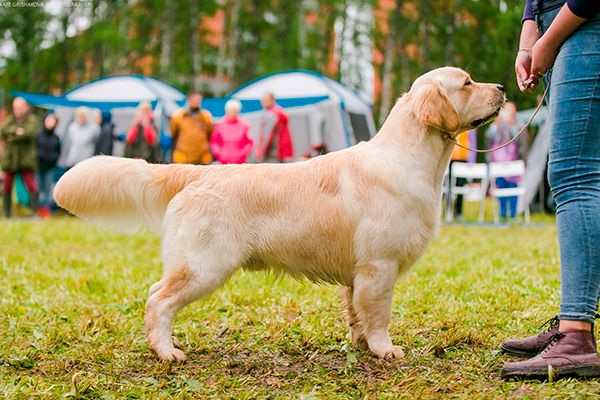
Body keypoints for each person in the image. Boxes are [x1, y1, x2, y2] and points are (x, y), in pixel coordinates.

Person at [500, 0, 600, 380]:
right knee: (583, 172)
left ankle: (577, 336)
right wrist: (530, 36)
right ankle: (574, 321)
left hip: (583, 22)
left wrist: (547, 41)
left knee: (574, 174)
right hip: (559, 26)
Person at [486, 102, 527, 220]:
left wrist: (512, 125)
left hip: (514, 162)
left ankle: (513, 214)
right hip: (498, 163)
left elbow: (522, 144)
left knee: (513, 188)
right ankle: (502, 213)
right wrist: (496, 123)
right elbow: (489, 138)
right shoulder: (496, 125)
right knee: (501, 187)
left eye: (510, 110)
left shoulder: (519, 125)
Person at [0, 97, 39, 218]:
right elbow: (3, 131)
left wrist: (11, 136)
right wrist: (17, 132)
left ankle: (34, 213)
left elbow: (29, 133)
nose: (18, 110)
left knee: (31, 185)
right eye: (16, 108)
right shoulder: (9, 120)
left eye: (20, 107)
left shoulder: (32, 120)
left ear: (26, 108)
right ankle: (7, 214)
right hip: (10, 159)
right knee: (6, 186)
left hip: (25, 159)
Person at [169, 92, 213, 165]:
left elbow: (210, 133)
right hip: (183, 158)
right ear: (189, 100)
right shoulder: (178, 116)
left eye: (199, 100)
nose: (197, 102)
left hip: (202, 159)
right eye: (195, 100)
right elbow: (173, 134)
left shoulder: (206, 116)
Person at [209, 99, 253, 164]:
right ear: (227, 110)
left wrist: (242, 154)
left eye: (235, 110)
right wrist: (220, 154)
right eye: (231, 110)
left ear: (238, 111)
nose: (233, 112)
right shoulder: (219, 125)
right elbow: (214, 142)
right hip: (223, 163)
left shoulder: (245, 125)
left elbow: (249, 142)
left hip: (240, 163)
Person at [255, 92, 293, 163]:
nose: (263, 103)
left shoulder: (272, 115)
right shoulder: (280, 111)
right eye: (262, 101)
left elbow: (268, 136)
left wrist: (262, 152)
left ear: (272, 100)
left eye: (266, 100)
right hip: (281, 152)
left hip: (273, 153)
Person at [35, 113, 61, 218]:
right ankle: (38, 211)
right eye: (48, 120)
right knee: (38, 189)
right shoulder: (38, 135)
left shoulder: (56, 138)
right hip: (38, 166)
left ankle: (45, 212)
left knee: (47, 190)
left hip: (49, 167)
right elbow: (35, 149)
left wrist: (52, 161)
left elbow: (58, 152)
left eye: (52, 121)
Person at [445, 131, 473, 221]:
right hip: (450, 159)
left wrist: (471, 162)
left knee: (461, 186)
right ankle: (448, 210)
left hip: (463, 159)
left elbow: (473, 142)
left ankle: (459, 211)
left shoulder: (469, 128)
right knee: (448, 186)